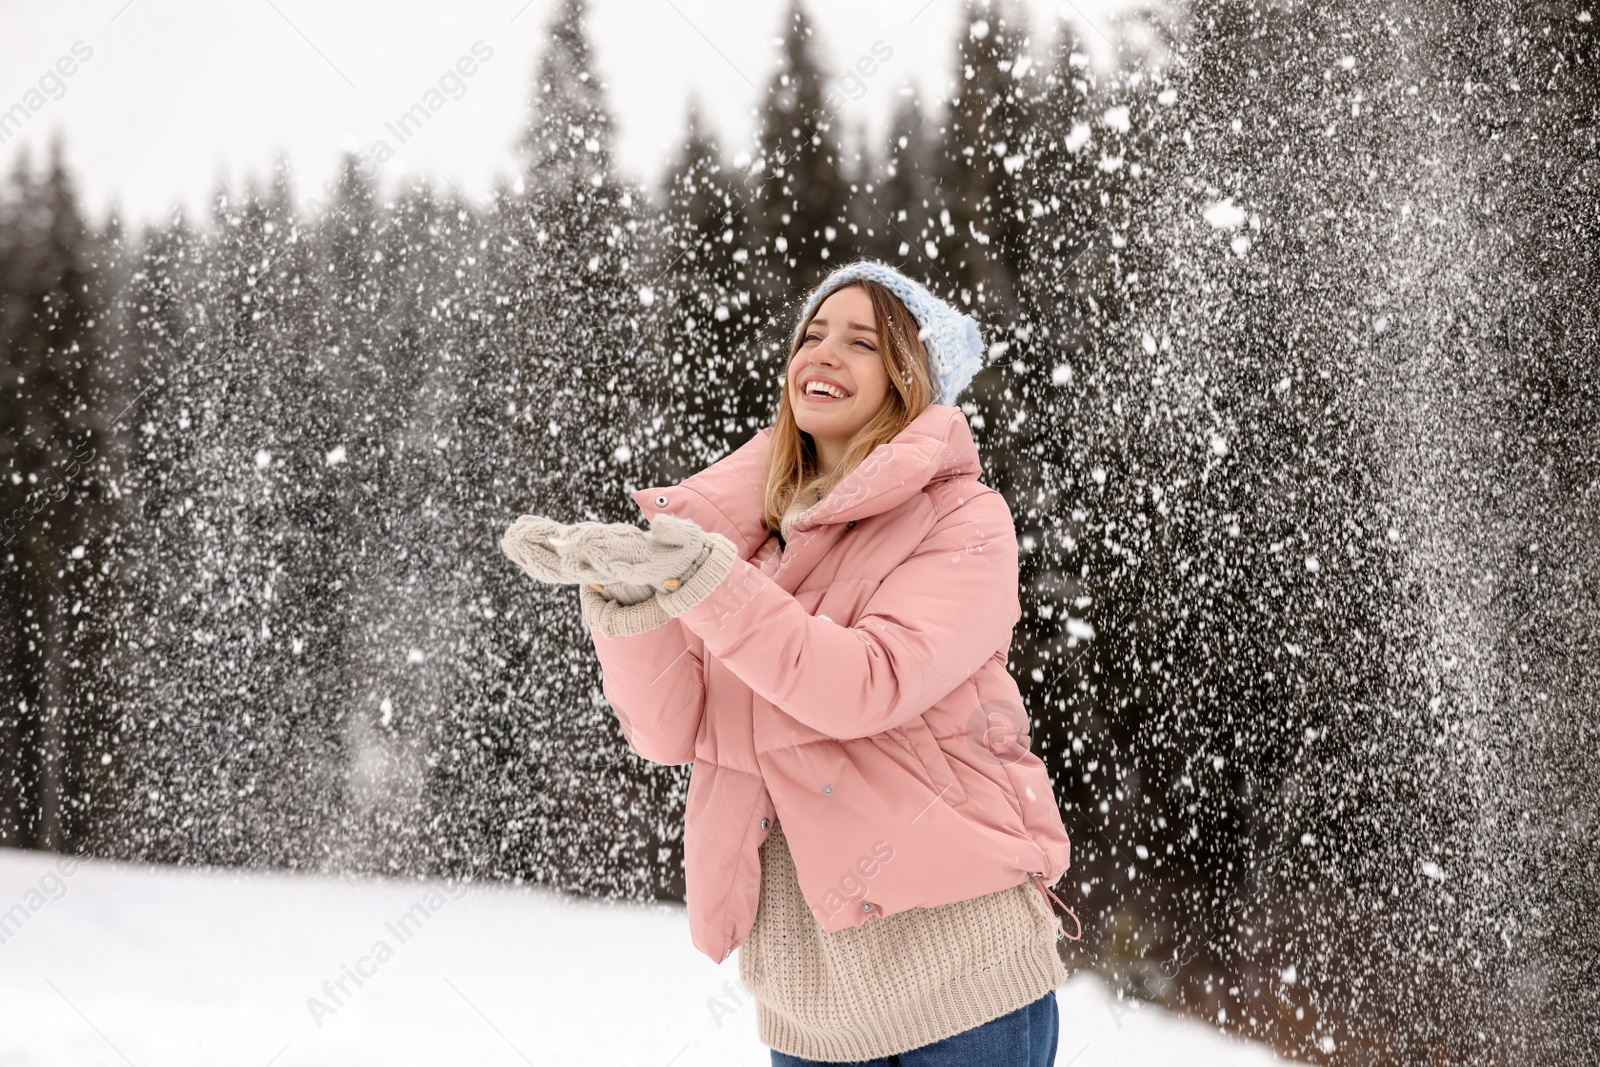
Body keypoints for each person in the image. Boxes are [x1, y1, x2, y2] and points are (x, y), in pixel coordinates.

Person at [502, 257, 1082, 1065]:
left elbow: (863, 682)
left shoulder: (962, 520)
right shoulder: (750, 543)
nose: (823, 353)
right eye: (812, 334)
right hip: (807, 993)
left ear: (909, 376)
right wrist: (631, 600)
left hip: (958, 971)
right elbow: (672, 731)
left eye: (860, 341)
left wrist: (705, 581)